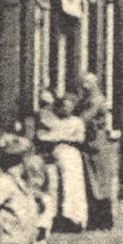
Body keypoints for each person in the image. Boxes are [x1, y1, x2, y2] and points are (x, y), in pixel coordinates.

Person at [38, 94, 91, 234]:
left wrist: (61, 137)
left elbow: (80, 139)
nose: (67, 109)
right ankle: (59, 218)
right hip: (57, 155)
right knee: (56, 185)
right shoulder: (55, 122)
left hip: (71, 155)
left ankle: (75, 218)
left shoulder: (77, 122)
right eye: (64, 106)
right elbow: (43, 135)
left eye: (70, 106)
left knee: (73, 184)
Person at [74, 73, 119, 232]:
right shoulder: (86, 100)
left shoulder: (96, 100)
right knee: (92, 182)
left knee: (99, 182)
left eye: (87, 83)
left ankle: (104, 220)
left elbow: (85, 118)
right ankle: (95, 219)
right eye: (83, 82)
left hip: (97, 143)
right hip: (89, 143)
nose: (84, 86)